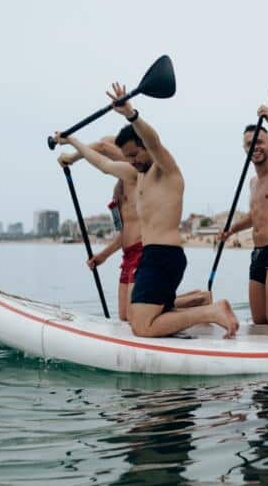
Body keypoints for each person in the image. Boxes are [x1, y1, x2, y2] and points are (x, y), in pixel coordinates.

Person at [53, 83, 239, 339]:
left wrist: (131, 113)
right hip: (151, 257)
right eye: (127, 157)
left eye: (135, 154)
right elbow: (104, 164)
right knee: (137, 317)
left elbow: (154, 140)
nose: (132, 161)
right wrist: (73, 141)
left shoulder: (166, 169)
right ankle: (203, 305)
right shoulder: (135, 175)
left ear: (145, 148)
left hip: (165, 256)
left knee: (141, 326)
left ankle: (213, 312)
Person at [219, 85, 268, 325]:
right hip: (257, 252)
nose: (255, 147)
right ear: (245, 149)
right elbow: (256, 215)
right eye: (250, 144)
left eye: (260, 142)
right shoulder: (253, 182)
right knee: (259, 320)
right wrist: (232, 229)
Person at [58, 126, 146, 322]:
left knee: (136, 315)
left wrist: (71, 157)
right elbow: (121, 233)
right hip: (128, 255)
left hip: (143, 252)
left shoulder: (137, 175)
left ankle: (197, 300)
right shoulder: (117, 193)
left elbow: (102, 147)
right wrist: (102, 256)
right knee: (124, 317)